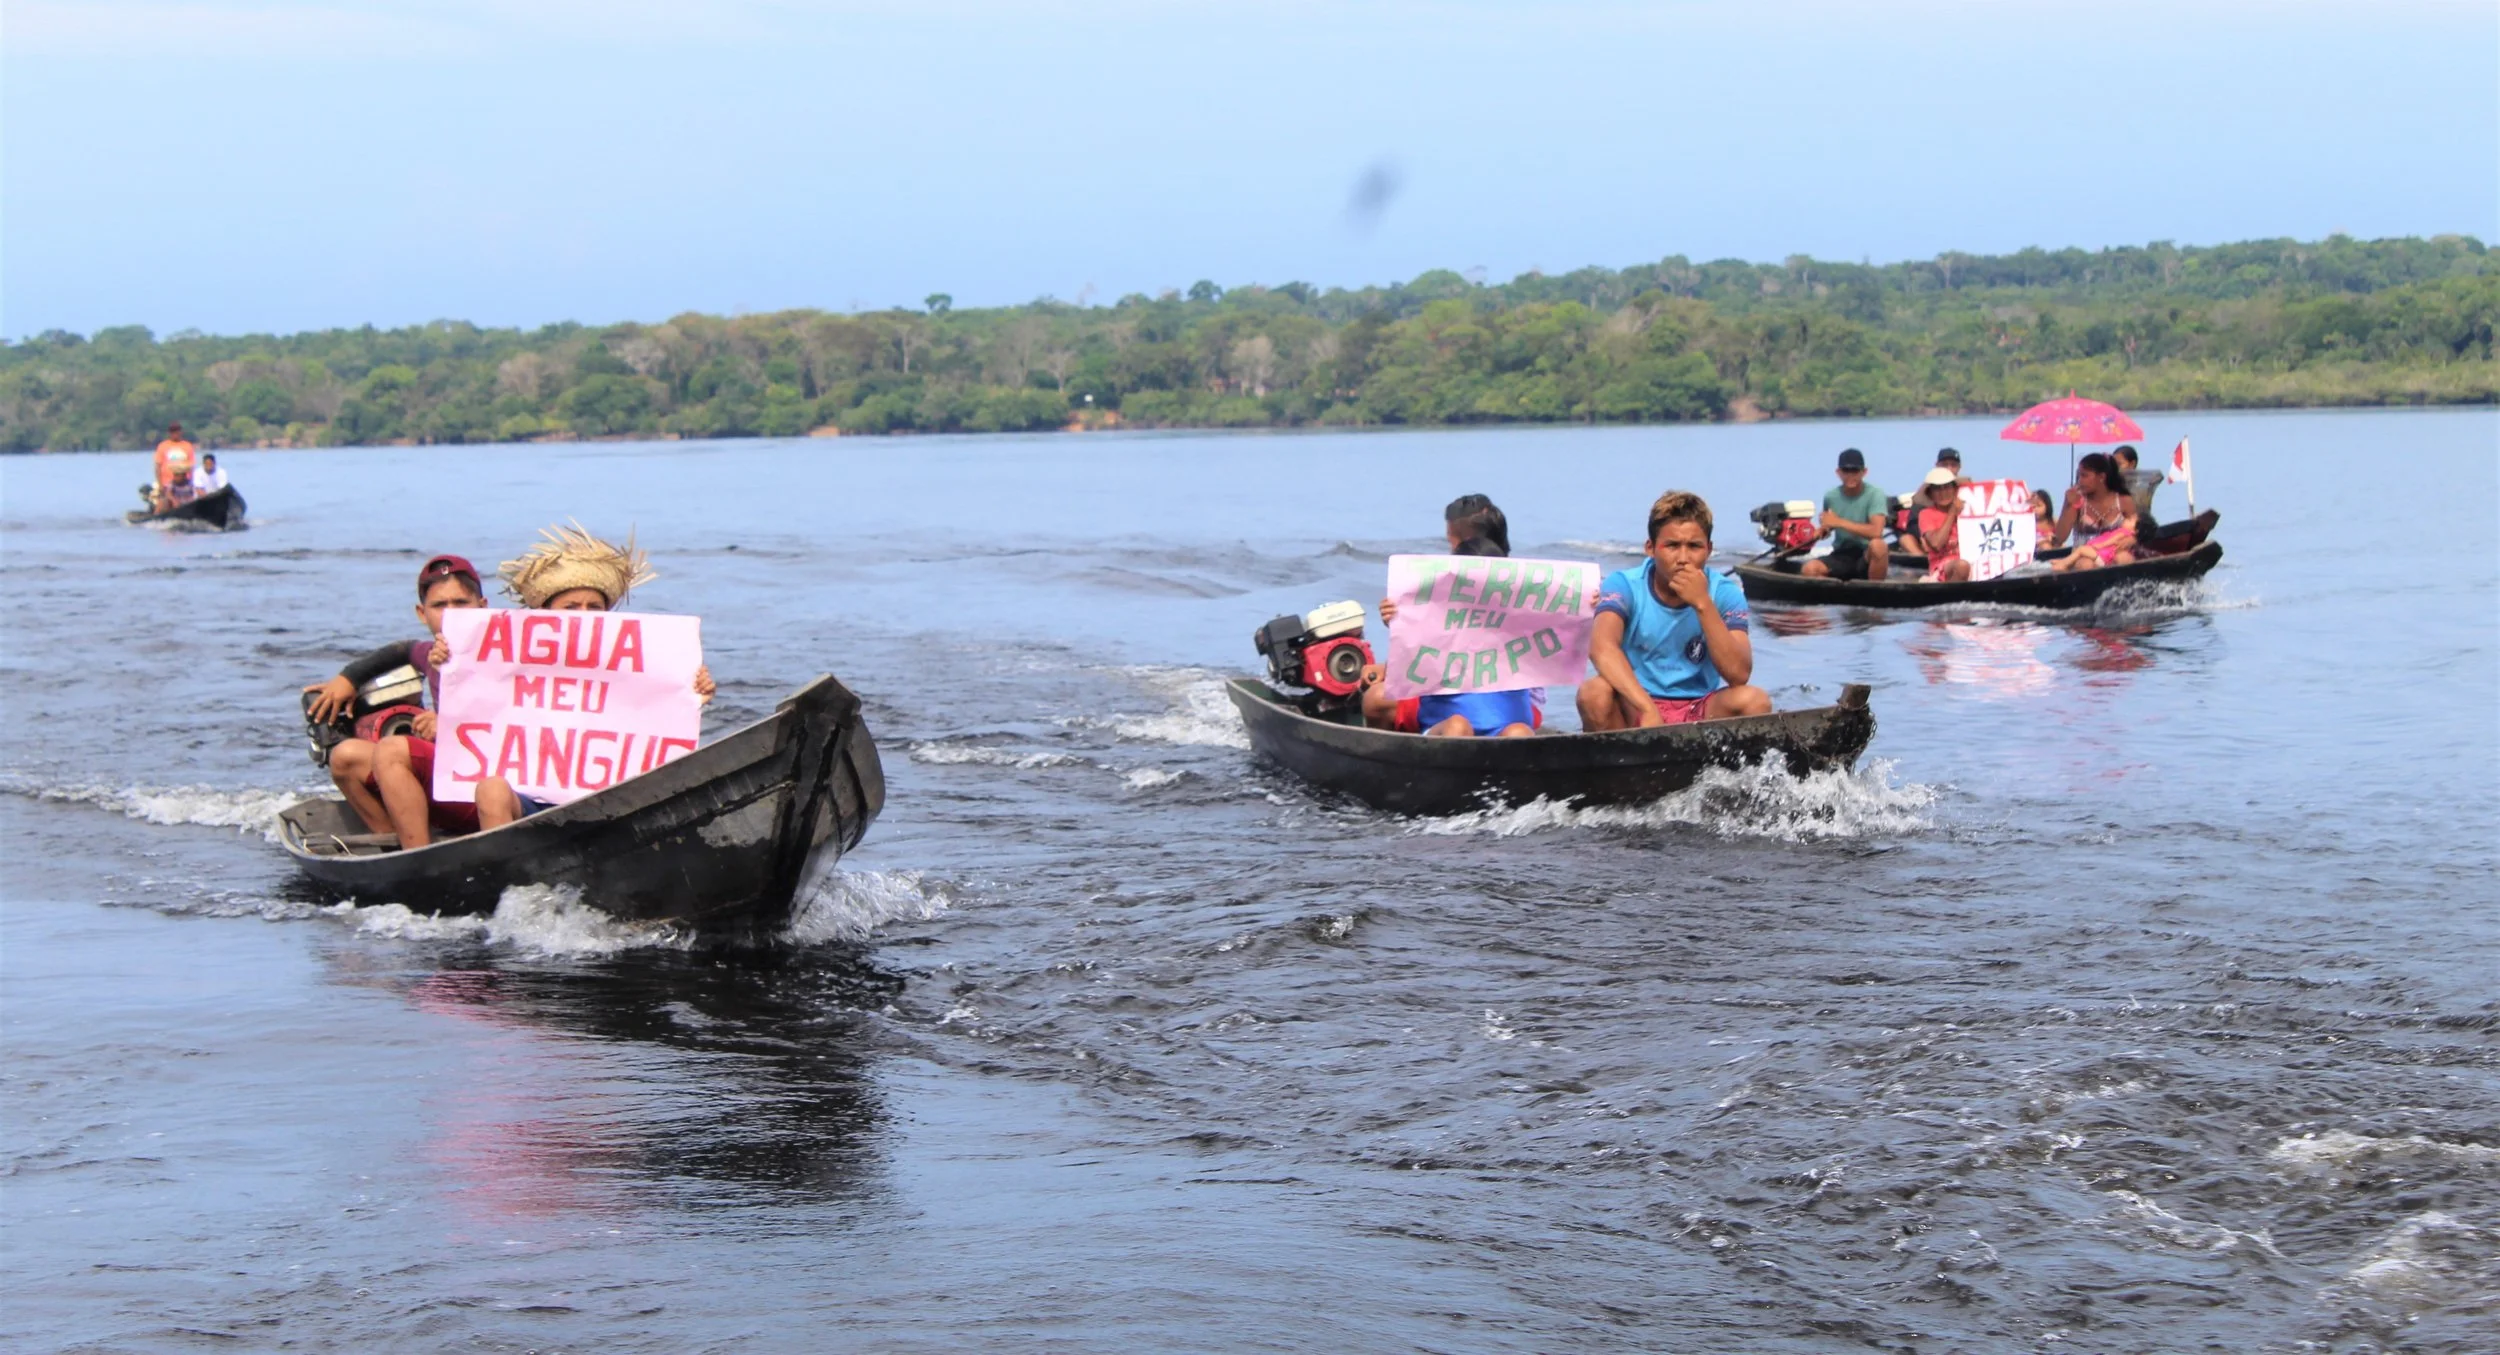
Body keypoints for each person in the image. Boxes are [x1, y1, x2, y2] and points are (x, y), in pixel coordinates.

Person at [440, 524, 717, 828]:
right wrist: (448, 657)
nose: (584, 614)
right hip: (532, 802)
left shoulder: (634, 661)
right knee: (491, 790)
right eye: (571, 607)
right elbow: (477, 694)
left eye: (594, 607)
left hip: (612, 803)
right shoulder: (509, 659)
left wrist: (690, 694)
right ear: (545, 613)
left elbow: (652, 718)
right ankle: (505, 872)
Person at [302, 554, 489, 846]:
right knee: (344, 757)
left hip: (493, 791)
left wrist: (452, 724)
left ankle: (419, 858)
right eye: (439, 605)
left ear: (483, 606)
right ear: (421, 613)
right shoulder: (430, 654)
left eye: (461, 603)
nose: (451, 613)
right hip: (449, 780)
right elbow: (401, 651)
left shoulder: (511, 653)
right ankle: (395, 844)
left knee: (392, 750)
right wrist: (348, 679)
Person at [1577, 490, 1770, 729]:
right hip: (1636, 703)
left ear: (1709, 550)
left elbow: (1738, 675)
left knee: (1755, 701)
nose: (1683, 558)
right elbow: (1601, 648)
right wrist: (1646, 707)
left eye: (1694, 546)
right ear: (1651, 548)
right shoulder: (1624, 585)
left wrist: (1703, 604)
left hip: (1699, 706)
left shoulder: (1724, 593)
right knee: (1594, 692)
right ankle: (1623, 763)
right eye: (1672, 546)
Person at [1361, 536, 1537, 738]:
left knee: (1519, 733)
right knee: (1458, 727)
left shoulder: (1522, 620)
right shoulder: (1435, 616)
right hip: (1444, 724)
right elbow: (1416, 664)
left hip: (1504, 726)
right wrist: (1398, 622)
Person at [1800, 448, 1889, 581]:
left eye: (1855, 471)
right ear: (1838, 472)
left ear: (1864, 472)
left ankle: (1875, 591)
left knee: (1879, 545)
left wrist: (1839, 522)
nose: (1850, 476)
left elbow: (1876, 531)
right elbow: (1828, 526)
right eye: (1846, 471)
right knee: (1809, 569)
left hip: (1867, 555)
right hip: (1842, 554)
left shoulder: (1875, 495)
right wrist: (1822, 530)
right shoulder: (1831, 496)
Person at [2050, 453, 2138, 572]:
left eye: (2084, 476)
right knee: (2086, 564)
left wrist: (2133, 539)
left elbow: (2138, 529)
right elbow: (2060, 538)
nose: (2080, 481)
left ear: (2101, 477)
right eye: (2079, 475)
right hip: (2083, 556)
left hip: (2113, 552)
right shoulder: (2077, 501)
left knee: (2124, 558)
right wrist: (2068, 505)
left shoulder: (2123, 500)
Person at [1911, 469, 1973, 582]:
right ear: (1930, 493)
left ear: (1955, 489)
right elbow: (1936, 543)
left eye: (1947, 486)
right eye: (1937, 488)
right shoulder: (1926, 514)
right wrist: (1952, 513)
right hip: (1944, 566)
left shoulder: (1970, 510)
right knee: (1962, 566)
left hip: (1975, 562)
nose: (1943, 492)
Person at [2112, 444, 2161, 530]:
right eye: (2114, 465)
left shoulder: (2142, 485)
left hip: (2138, 529)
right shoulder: (2114, 485)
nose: (2116, 469)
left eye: (2120, 464)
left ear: (2132, 464)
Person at [150, 423, 198, 508]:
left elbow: (191, 466)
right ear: (169, 433)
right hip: (167, 483)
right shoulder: (163, 446)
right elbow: (158, 466)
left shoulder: (187, 446)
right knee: (164, 502)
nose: (175, 434)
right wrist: (160, 484)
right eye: (173, 432)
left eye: (177, 431)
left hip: (184, 482)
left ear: (181, 432)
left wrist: (191, 481)